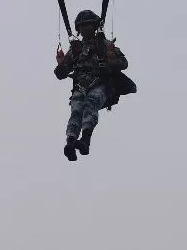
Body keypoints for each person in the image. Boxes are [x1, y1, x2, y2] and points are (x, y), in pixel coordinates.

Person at [54, 9, 131, 161]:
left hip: (101, 84)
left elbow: (124, 63)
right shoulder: (76, 50)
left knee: (90, 104)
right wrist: (62, 64)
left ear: (95, 26)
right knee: (76, 111)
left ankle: (85, 139)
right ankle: (70, 141)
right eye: (82, 26)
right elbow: (60, 74)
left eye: (88, 25)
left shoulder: (105, 45)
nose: (85, 29)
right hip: (80, 86)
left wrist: (110, 61)